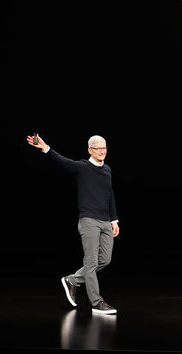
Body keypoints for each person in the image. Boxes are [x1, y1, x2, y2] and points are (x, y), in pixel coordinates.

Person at [27, 133, 120, 314]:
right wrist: (45, 148)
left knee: (105, 259)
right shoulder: (82, 167)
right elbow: (62, 161)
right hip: (89, 220)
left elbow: (110, 197)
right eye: (98, 148)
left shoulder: (107, 170)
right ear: (89, 150)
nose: (102, 151)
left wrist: (114, 219)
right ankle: (97, 302)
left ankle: (72, 280)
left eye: (104, 148)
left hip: (105, 221)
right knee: (91, 261)